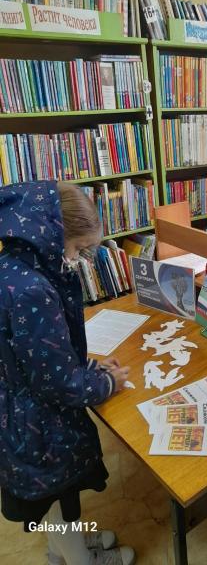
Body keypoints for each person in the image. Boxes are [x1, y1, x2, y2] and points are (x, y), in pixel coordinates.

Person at [0, 181, 135, 565]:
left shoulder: (13, 264)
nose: (75, 259)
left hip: (19, 412)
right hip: (40, 425)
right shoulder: (33, 290)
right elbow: (57, 382)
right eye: (76, 249)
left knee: (56, 502)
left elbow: (41, 357)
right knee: (59, 497)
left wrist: (89, 367)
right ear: (53, 236)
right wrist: (106, 381)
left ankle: (61, 548)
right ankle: (80, 558)